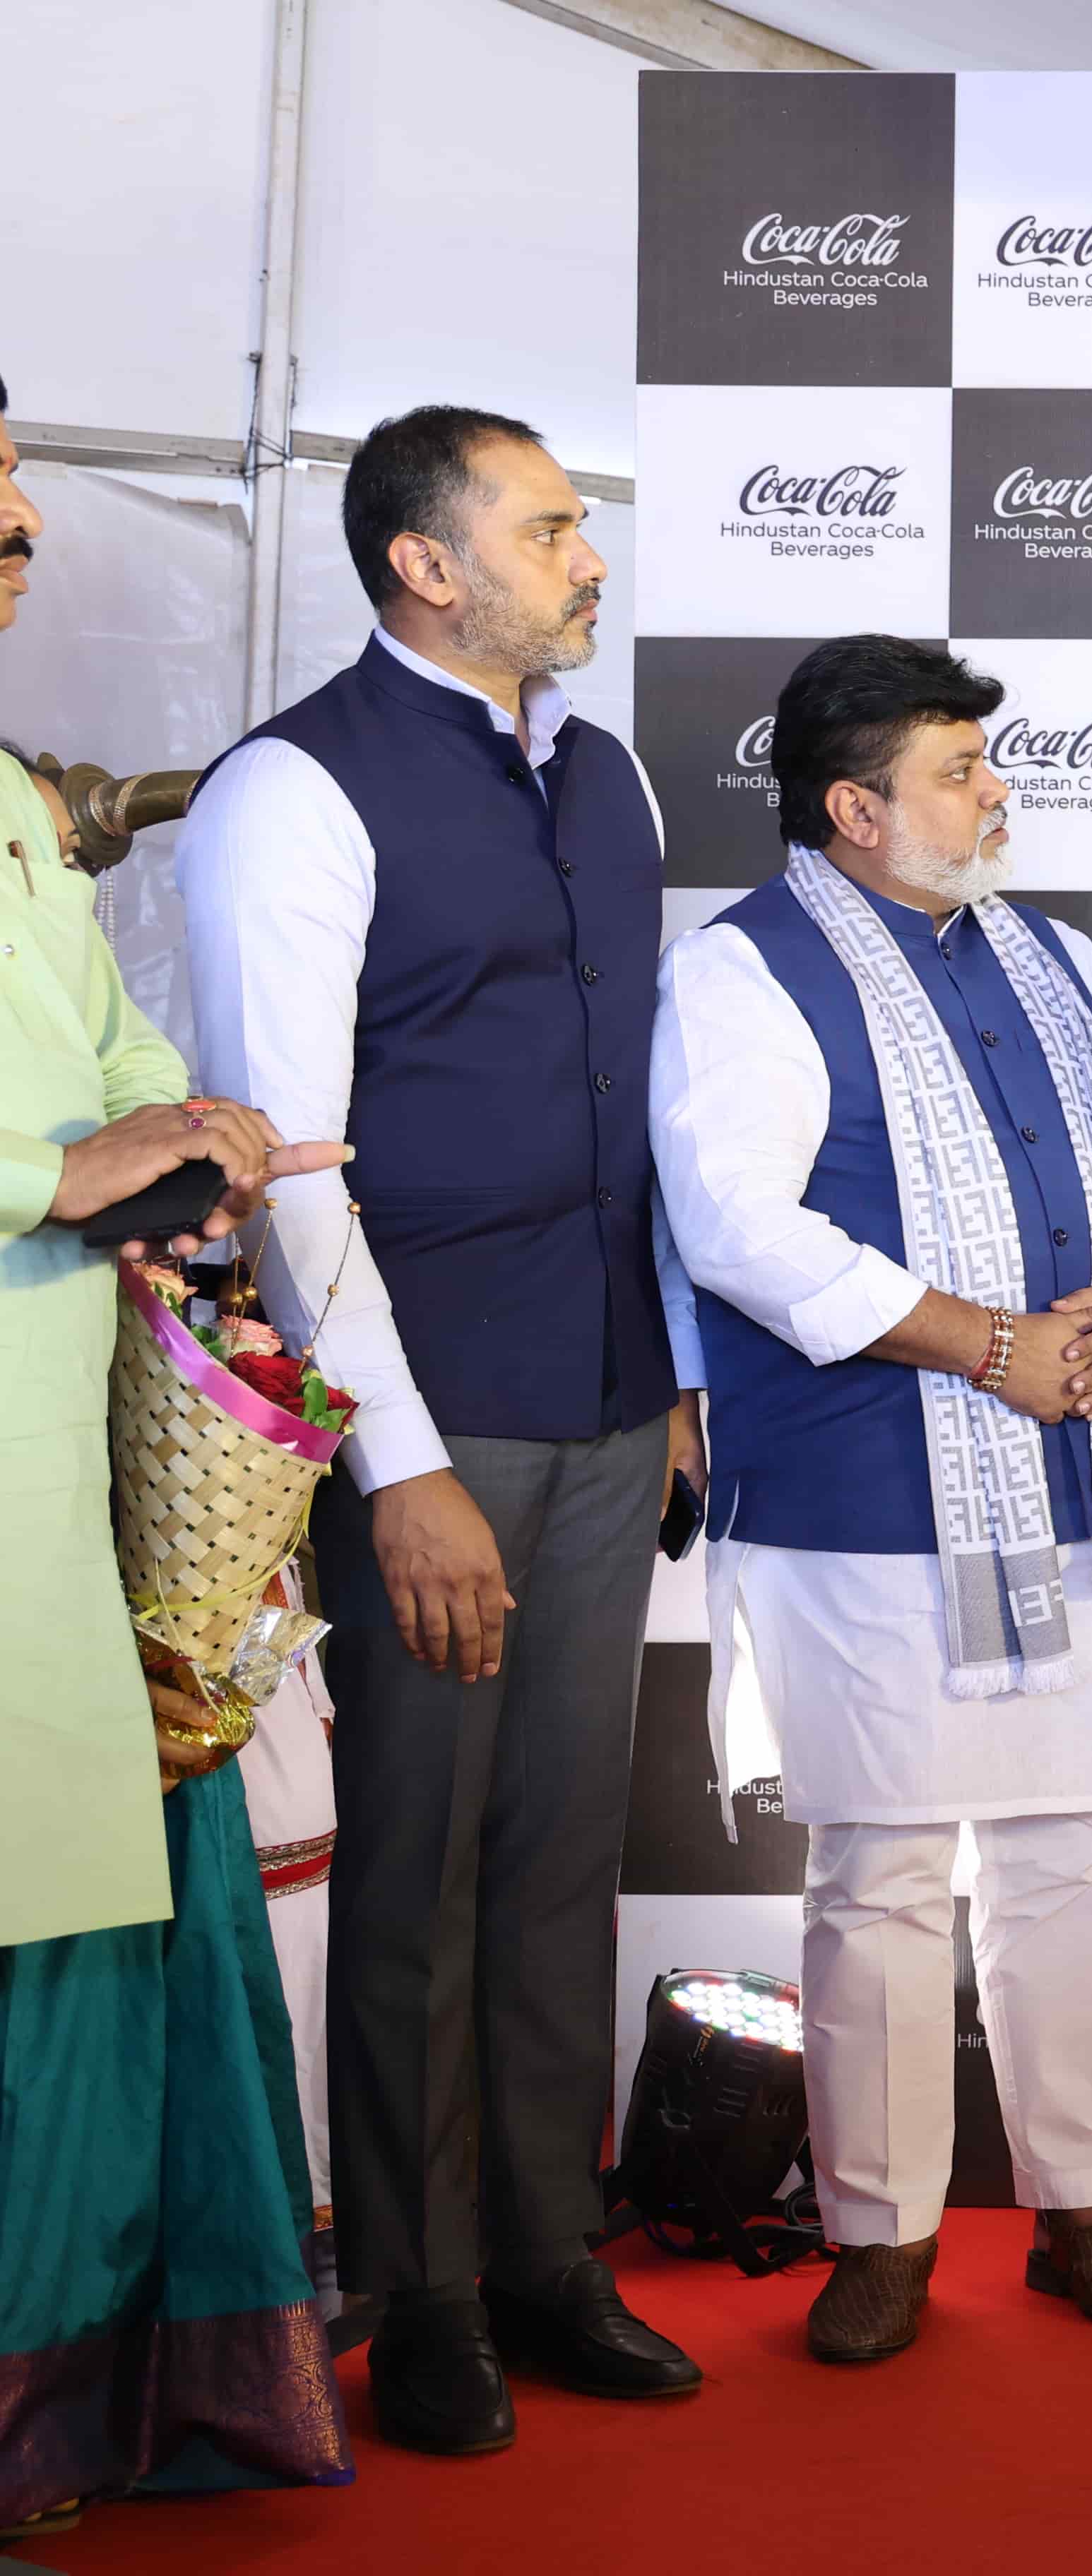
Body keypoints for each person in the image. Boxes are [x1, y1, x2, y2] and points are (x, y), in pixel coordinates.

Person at [179, 403, 707, 2453]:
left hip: (608, 1404)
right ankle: (417, 2293)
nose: (590, 558)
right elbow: (283, 1172)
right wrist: (392, 1465)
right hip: (426, 1421)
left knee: (562, 1853)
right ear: (426, 562)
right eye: (552, 527)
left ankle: (549, 2254)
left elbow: (636, 1112)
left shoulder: (606, 769)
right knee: (414, 1869)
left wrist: (675, 1373)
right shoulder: (294, 788)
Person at [650, 635, 1092, 2363]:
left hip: (1065, 1467)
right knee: (883, 1867)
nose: (995, 795)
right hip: (857, 1483)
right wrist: (985, 1345)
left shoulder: (1050, 957)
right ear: (855, 810)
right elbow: (737, 1224)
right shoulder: (743, 970)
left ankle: (1083, 2206)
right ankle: (879, 2232)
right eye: (960, 772)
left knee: (1065, 1851)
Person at [0, 383, 353, 2541]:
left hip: (61, 1474)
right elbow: (54, 1137)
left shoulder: (14, 805)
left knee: (76, 1919)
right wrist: (57, 1173)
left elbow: (110, 1053)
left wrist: (194, 1131)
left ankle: (57, 2414)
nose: (24, 525)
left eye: (17, 484)